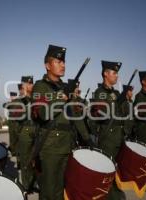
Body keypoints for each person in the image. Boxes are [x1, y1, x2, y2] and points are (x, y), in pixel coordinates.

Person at [31, 44, 91, 200]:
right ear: (47, 65)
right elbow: (42, 114)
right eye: (58, 62)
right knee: (49, 191)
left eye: (63, 62)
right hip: (49, 147)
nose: (63, 65)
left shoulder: (67, 87)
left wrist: (87, 138)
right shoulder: (40, 86)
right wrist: (60, 98)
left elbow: (76, 116)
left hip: (67, 144)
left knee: (63, 189)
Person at [91, 60, 126, 200]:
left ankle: (115, 194)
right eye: (114, 72)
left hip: (118, 135)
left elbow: (123, 114)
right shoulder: (100, 93)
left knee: (116, 169)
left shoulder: (116, 93)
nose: (117, 76)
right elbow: (99, 115)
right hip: (108, 137)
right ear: (105, 74)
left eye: (117, 73)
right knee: (108, 169)